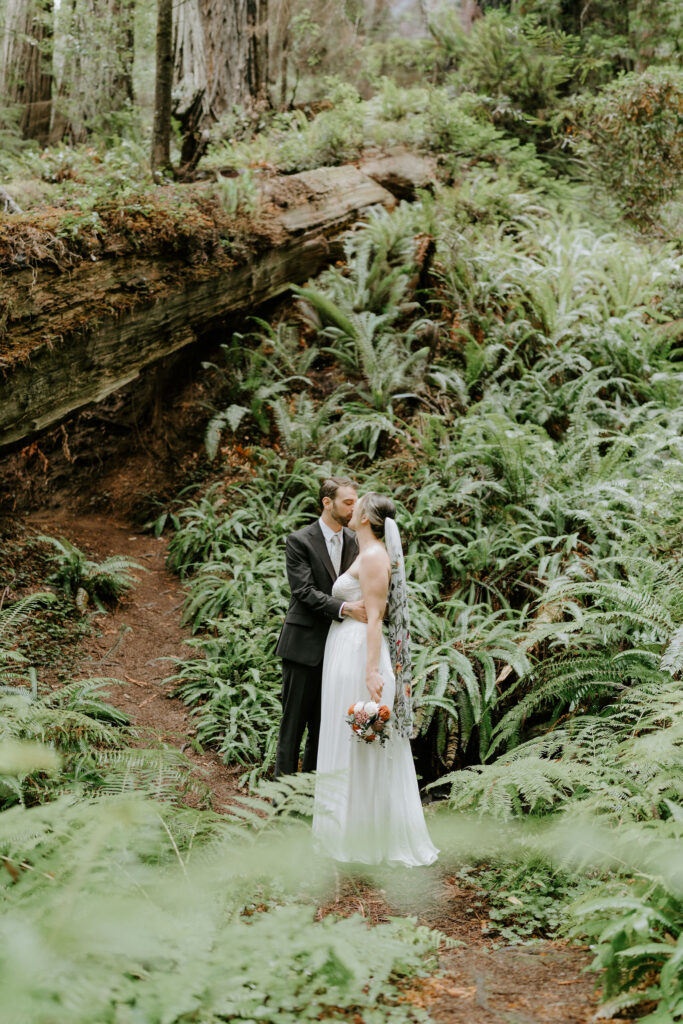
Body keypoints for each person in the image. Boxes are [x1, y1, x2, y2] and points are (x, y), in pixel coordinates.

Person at [313, 492, 438, 867]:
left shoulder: (373, 557)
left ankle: (365, 840)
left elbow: (376, 618)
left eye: (358, 504)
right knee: (347, 741)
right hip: (346, 650)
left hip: (360, 656)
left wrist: (371, 671)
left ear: (366, 518)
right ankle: (344, 832)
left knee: (362, 744)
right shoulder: (365, 552)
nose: (352, 509)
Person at [274, 477, 367, 778]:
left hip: (341, 650)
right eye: (348, 502)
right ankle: (281, 798)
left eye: (355, 502)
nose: (354, 508)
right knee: (293, 726)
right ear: (327, 503)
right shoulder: (299, 540)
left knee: (324, 727)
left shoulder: (356, 540)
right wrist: (346, 609)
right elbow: (303, 591)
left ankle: (311, 796)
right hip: (304, 647)